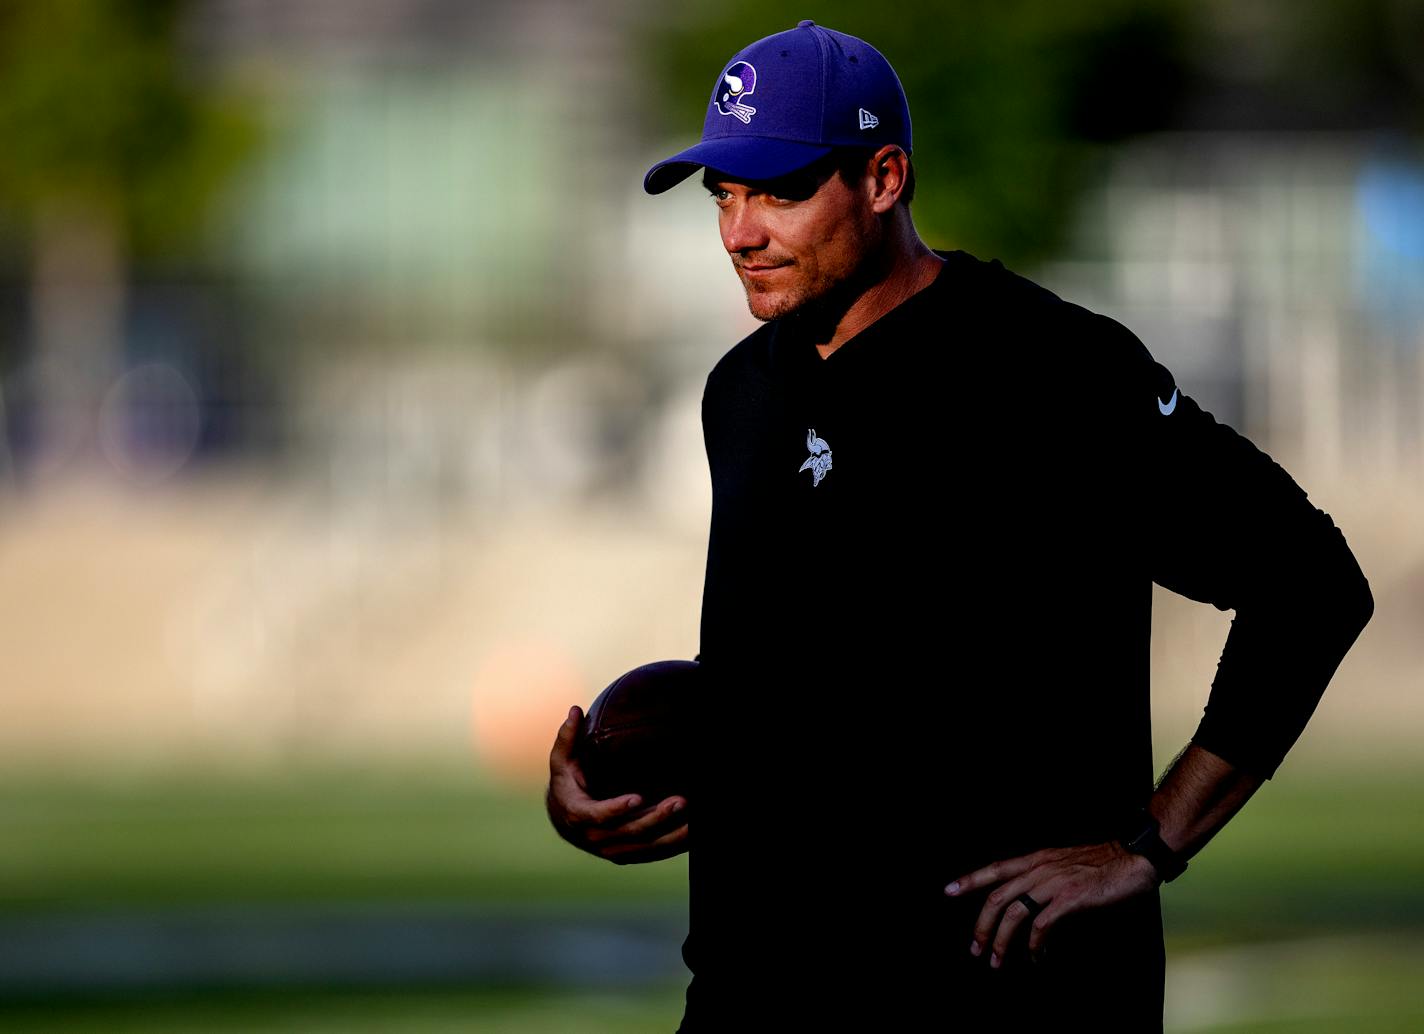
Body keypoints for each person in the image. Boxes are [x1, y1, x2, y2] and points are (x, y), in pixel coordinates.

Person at [546, 20, 1375, 1032]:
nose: (737, 232)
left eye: (779, 191)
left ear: (883, 177)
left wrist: (1149, 843)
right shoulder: (742, 392)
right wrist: (627, 783)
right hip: (752, 991)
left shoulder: (1048, 371)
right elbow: (805, 683)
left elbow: (1310, 580)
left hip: (996, 995)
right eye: (723, 193)